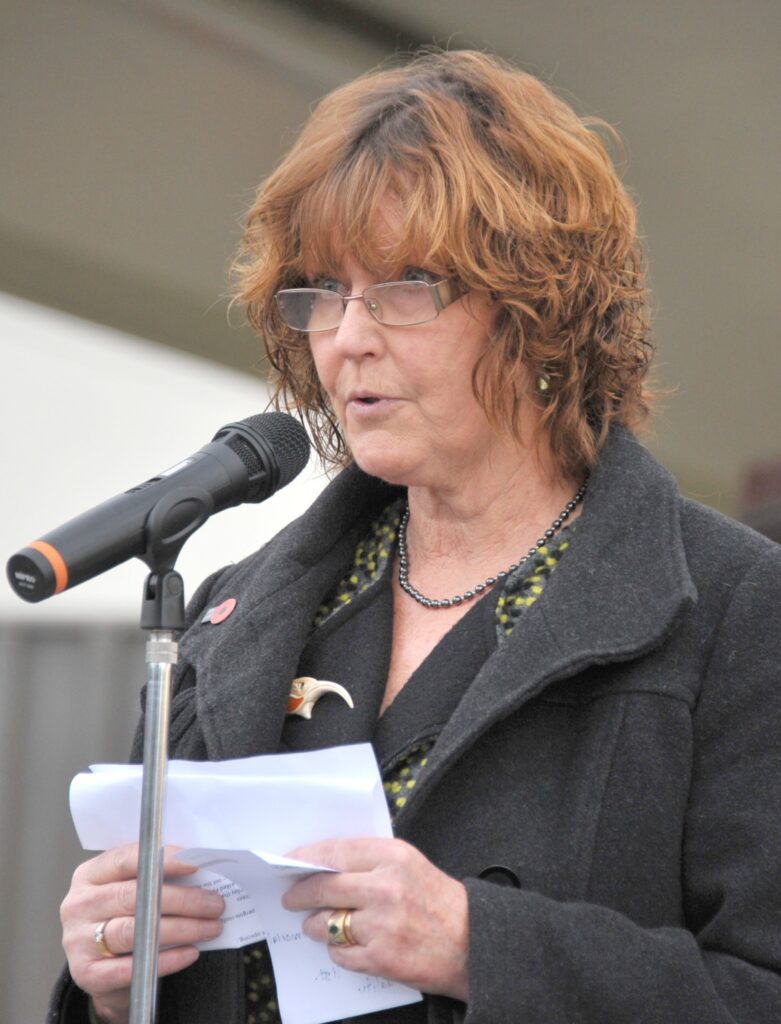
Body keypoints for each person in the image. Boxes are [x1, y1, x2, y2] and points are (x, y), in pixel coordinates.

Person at [50, 49, 781, 1024]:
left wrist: (484, 946)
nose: (347, 337)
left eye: (403, 287)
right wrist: (109, 980)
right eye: (321, 291)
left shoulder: (735, 607)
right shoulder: (223, 618)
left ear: (536, 310)